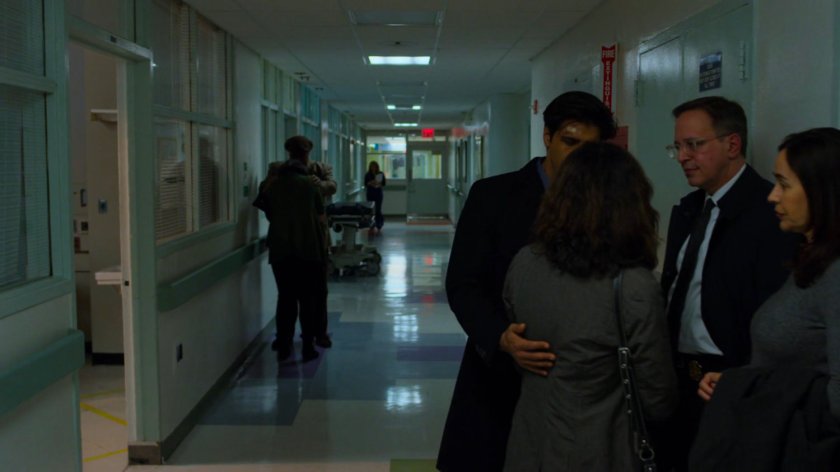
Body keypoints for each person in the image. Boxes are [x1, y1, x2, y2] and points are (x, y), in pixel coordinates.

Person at [437, 91, 616, 472]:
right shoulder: (493, 196)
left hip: (578, 383)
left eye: (590, 148)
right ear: (548, 137)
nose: (578, 157)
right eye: (569, 142)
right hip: (501, 373)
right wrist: (501, 337)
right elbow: (463, 282)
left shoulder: (611, 205)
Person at [502, 142, 677, 471]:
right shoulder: (633, 285)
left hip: (530, 443)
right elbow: (657, 396)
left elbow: (520, 346)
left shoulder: (525, 263)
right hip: (601, 450)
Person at [659, 96, 800, 469]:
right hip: (677, 376)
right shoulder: (690, 208)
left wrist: (745, 377)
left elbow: (770, 309)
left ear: (732, 144)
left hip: (729, 378)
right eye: (678, 147)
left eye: (694, 145)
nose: (684, 157)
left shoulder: (770, 213)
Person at [693, 128, 840, 468]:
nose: (773, 196)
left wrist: (756, 394)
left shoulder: (836, 274)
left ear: (822, 191)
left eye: (785, 185)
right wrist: (740, 383)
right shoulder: (812, 261)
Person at [255, 138, 327, 362]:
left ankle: (284, 344)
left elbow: (267, 210)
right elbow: (319, 210)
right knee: (308, 299)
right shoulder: (310, 184)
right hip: (308, 249)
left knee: (285, 298)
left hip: (281, 249)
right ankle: (307, 346)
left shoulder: (272, 184)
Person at [364, 161, 386, 236]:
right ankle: (371, 225)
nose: (373, 168)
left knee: (378, 209)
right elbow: (365, 183)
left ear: (377, 167)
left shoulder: (380, 174)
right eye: (372, 166)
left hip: (378, 193)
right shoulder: (368, 174)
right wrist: (371, 183)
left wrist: (378, 184)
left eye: (374, 166)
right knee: (370, 210)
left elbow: (383, 183)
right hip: (370, 193)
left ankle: (379, 224)